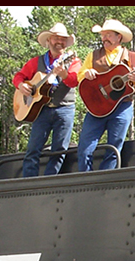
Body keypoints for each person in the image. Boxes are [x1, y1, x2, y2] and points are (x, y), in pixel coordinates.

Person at [76, 19, 135, 171]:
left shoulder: (133, 58)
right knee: (84, 148)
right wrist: (86, 73)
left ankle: (105, 182)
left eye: (108, 35)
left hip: (122, 107)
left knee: (114, 148)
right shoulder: (93, 55)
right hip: (96, 107)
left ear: (119, 37)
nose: (104, 38)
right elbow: (80, 75)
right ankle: (85, 181)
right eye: (103, 35)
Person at [13, 23, 82, 177]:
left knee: (59, 150)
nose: (60, 42)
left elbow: (73, 81)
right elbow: (18, 77)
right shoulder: (36, 62)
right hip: (41, 110)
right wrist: (21, 85)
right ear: (49, 40)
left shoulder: (73, 61)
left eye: (63, 39)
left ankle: (50, 181)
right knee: (33, 149)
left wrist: (63, 74)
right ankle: (28, 183)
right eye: (56, 38)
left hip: (65, 108)